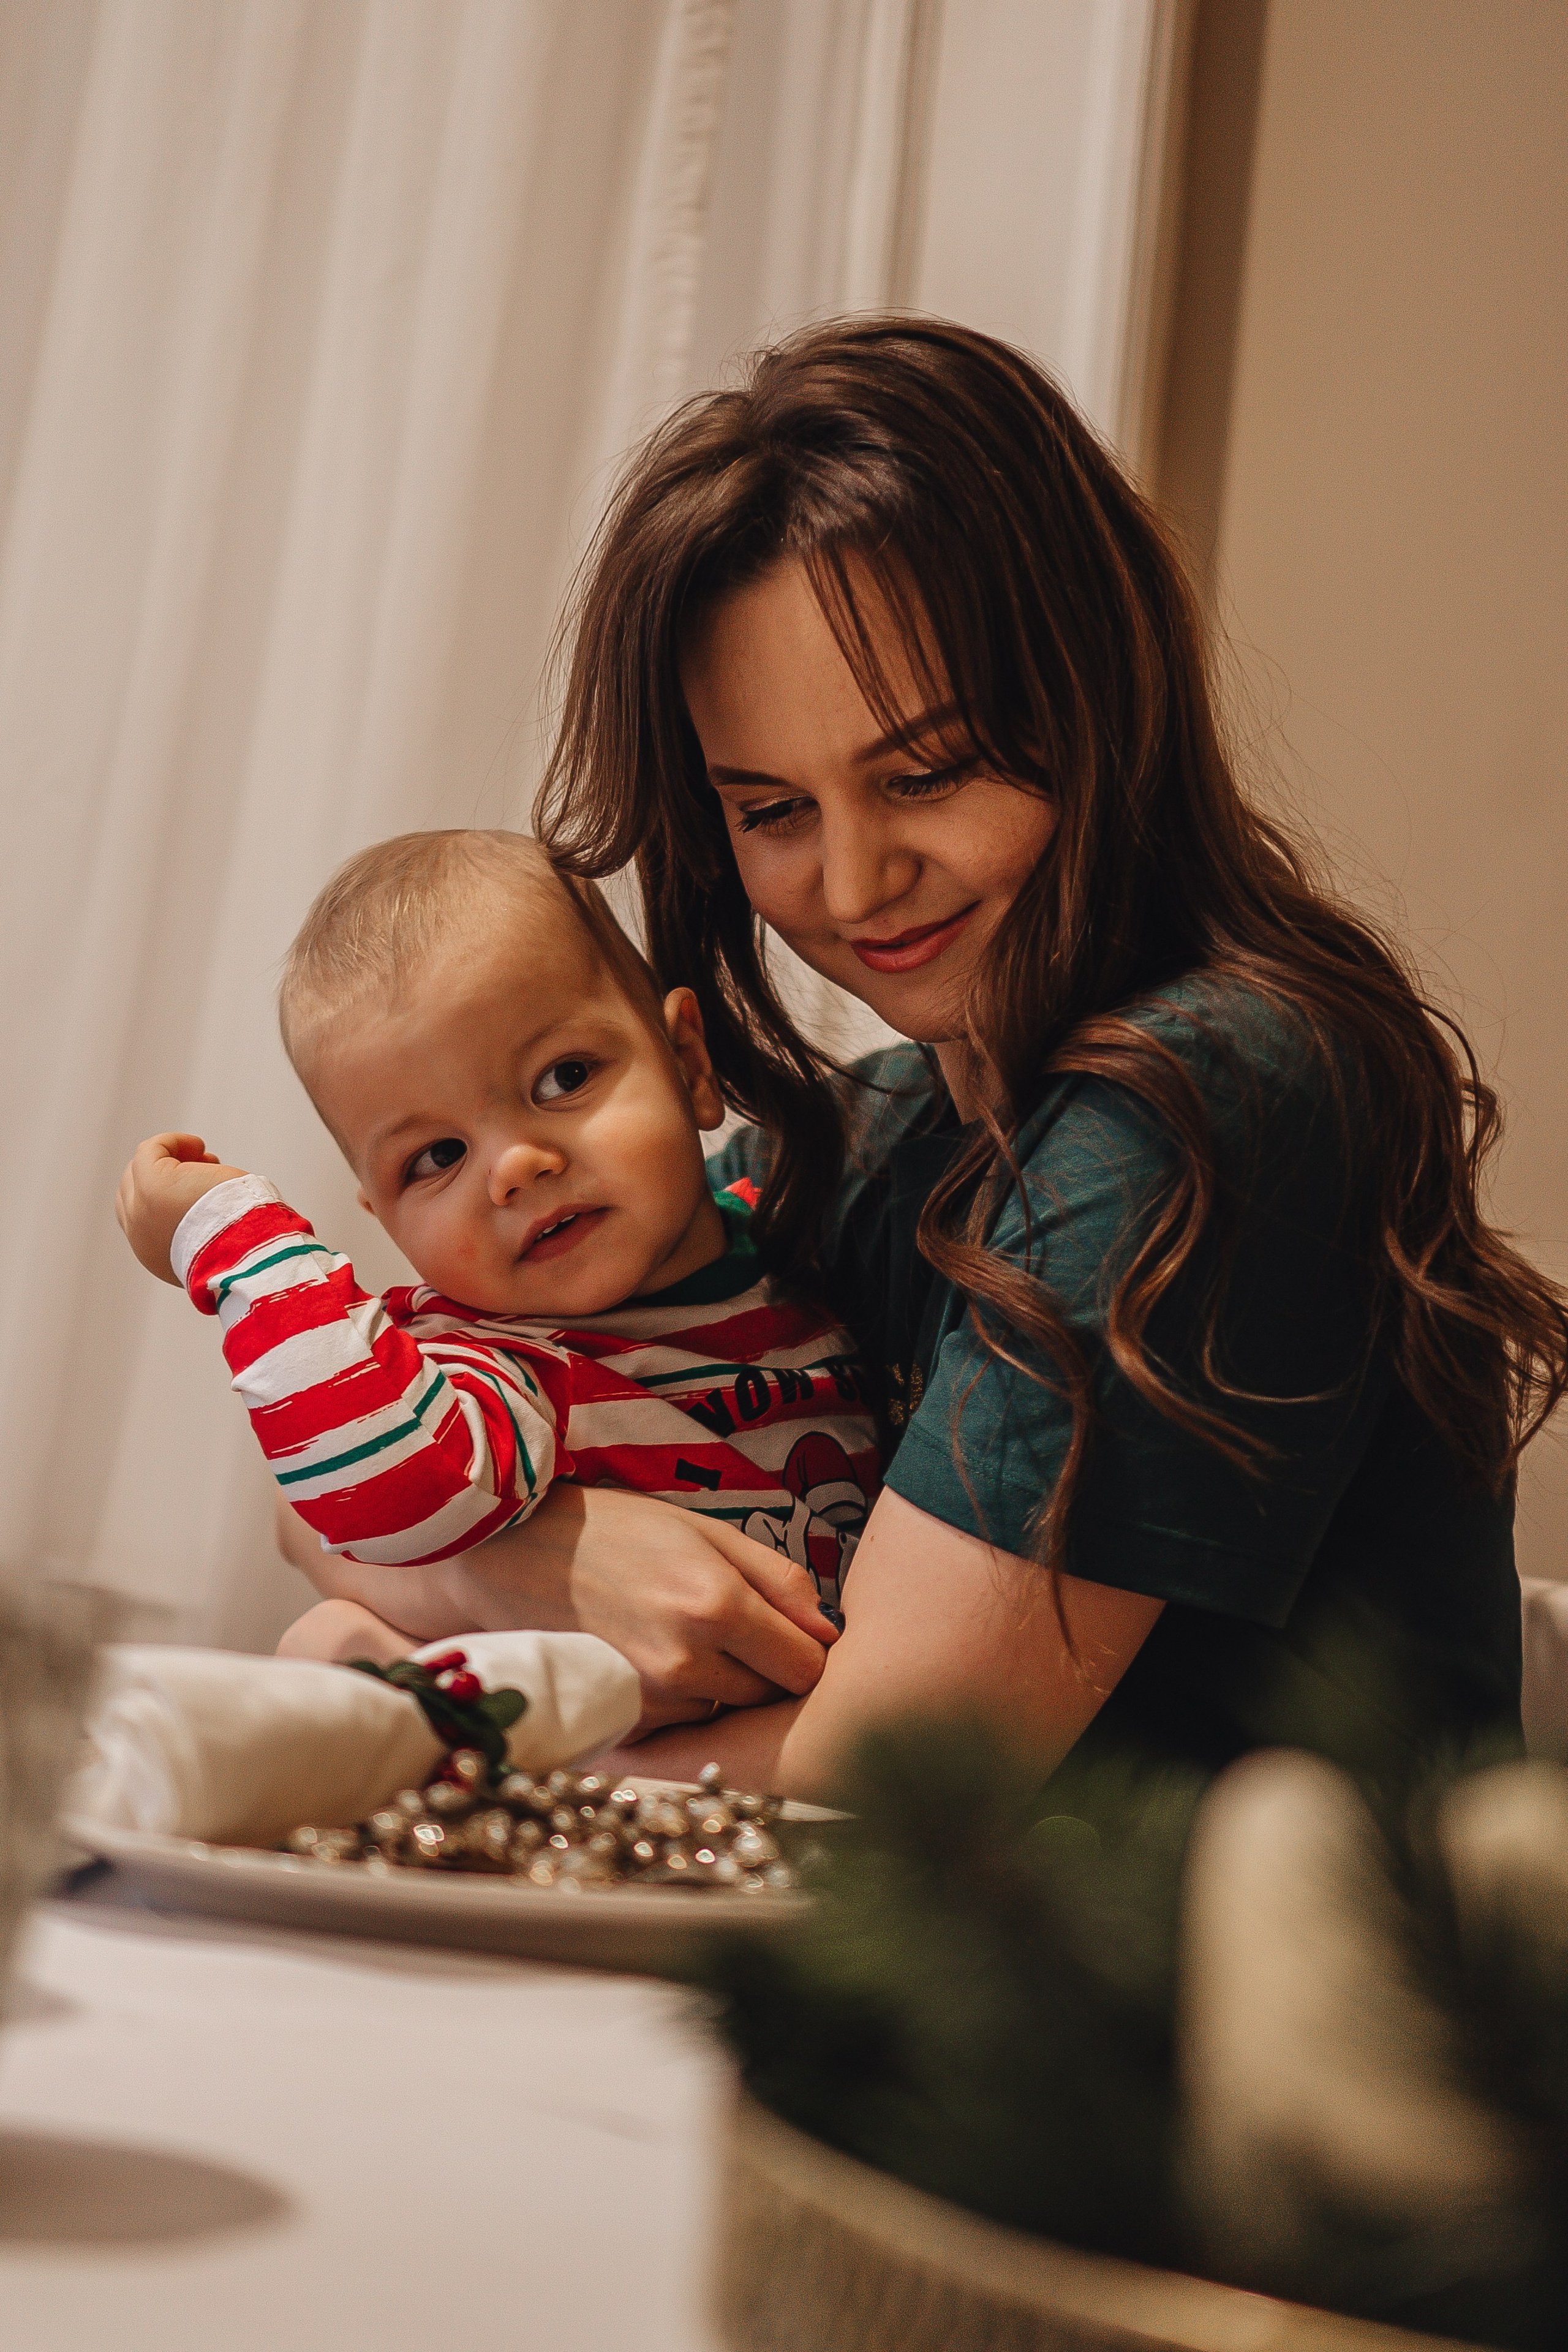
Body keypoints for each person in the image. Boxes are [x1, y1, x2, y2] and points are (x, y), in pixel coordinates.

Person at [279, 317, 1568, 1800]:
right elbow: (319, 1499)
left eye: (927, 770)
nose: (852, 881)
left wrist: (466, 1588)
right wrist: (562, 1564)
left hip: (1224, 2010)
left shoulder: (1216, 1086)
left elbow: (884, 1770)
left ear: (1100, 693)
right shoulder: (870, 1137)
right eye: (770, 811)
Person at [115, 829, 877, 1664]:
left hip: (858, 1753)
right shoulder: (504, 1366)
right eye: (437, 1158)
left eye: (564, 1078)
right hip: (578, 1782)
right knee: (329, 1649)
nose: (514, 1168)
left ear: (689, 1064)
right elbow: (383, 1488)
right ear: (390, 1223)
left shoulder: (806, 1229)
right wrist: (233, 1239)